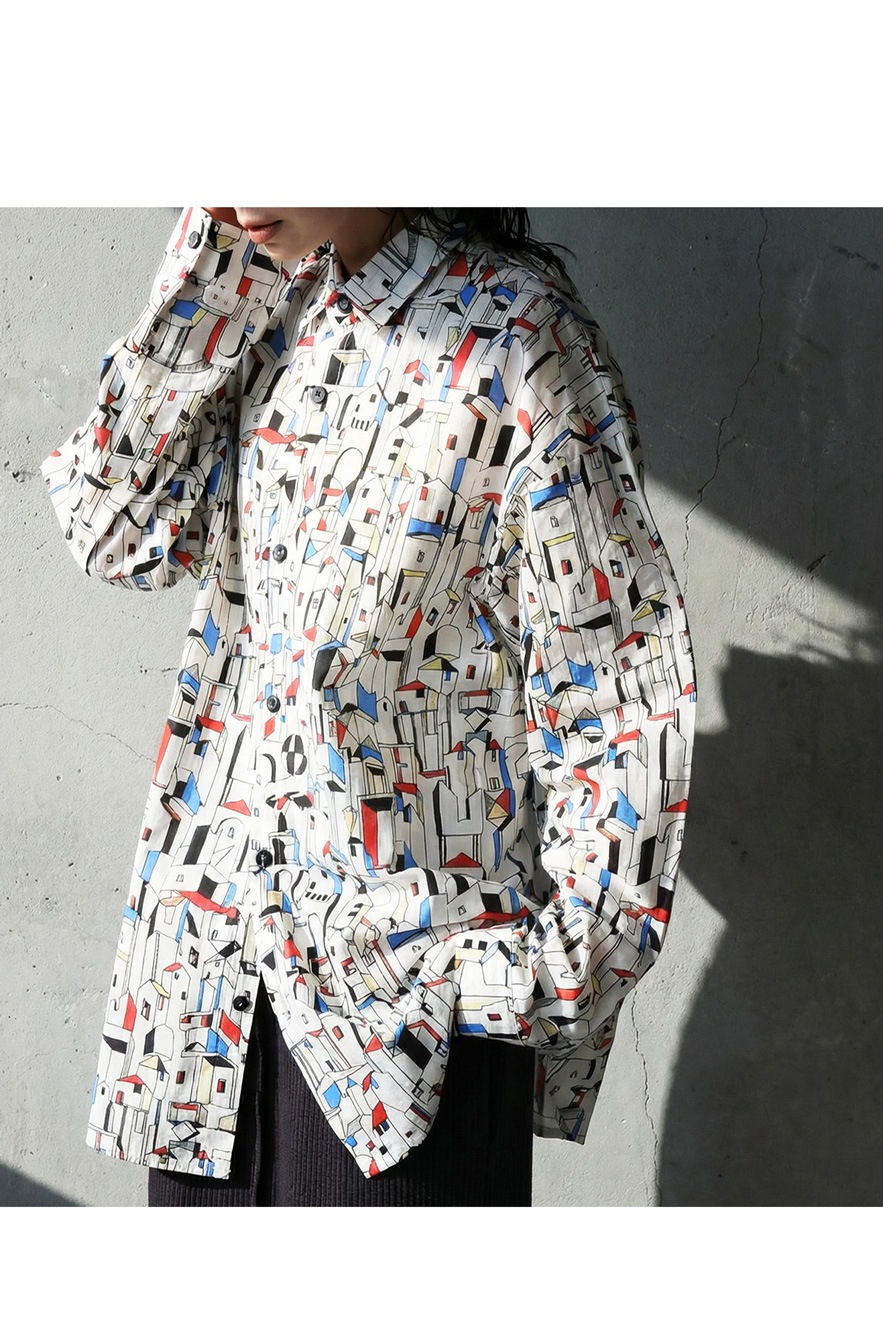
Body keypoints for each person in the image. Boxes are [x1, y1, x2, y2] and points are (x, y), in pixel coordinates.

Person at [39, 206, 698, 1207]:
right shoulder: (259, 304)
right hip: (203, 1013)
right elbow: (113, 531)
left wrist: (524, 982)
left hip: (402, 1045)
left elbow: (620, 694)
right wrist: (211, 281)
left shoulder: (518, 342)